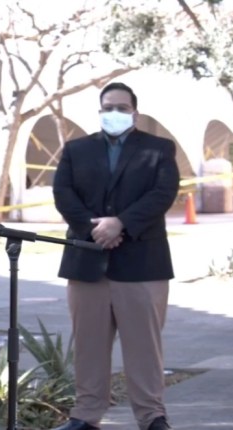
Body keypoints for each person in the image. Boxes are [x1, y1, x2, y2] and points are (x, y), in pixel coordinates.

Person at [51, 82, 179, 430]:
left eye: (123, 108)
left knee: (144, 348)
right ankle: (85, 416)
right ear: (100, 111)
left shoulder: (159, 149)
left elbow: (163, 193)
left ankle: (152, 416)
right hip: (87, 261)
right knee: (89, 346)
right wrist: (93, 229)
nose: (116, 113)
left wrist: (121, 223)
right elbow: (63, 192)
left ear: (135, 112)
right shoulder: (77, 150)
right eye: (109, 107)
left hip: (142, 263)